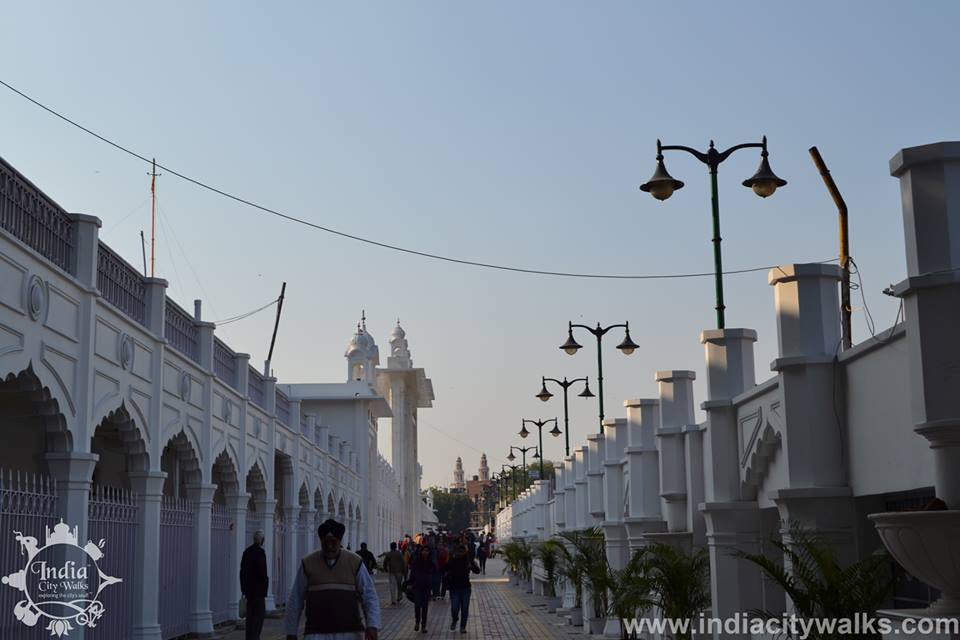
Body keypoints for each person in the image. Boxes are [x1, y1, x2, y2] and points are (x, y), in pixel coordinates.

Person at [284, 519, 380, 640]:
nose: (329, 546)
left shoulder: (354, 562)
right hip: (316, 633)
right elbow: (296, 598)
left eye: (333, 542)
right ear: (321, 542)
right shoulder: (308, 563)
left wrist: (372, 625)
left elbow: (369, 595)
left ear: (340, 541)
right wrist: (291, 631)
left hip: (350, 633)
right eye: (326, 543)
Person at [444, 543, 481, 633]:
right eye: (459, 551)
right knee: (455, 608)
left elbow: (477, 571)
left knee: (465, 608)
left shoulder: (468, 560)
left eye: (463, 551)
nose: (461, 553)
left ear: (465, 552)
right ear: (456, 551)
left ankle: (463, 626)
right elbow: (445, 568)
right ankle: (454, 619)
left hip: (465, 588)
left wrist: (472, 565)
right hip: (455, 587)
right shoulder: (453, 559)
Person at [240, 530, 269, 640]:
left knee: (250, 617)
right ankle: (255, 637)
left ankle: (249, 637)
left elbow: (242, 571)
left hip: (249, 591)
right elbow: (263, 573)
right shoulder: (260, 553)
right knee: (258, 618)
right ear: (261, 540)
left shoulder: (247, 552)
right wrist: (265, 589)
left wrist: (243, 588)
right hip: (259, 592)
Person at [408, 545, 436, 633]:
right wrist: (410, 583)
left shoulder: (430, 562)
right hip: (417, 586)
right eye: (424, 550)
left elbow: (435, 570)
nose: (425, 552)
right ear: (421, 552)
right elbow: (412, 573)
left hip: (426, 587)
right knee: (417, 605)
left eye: (427, 551)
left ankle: (423, 626)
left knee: (425, 607)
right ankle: (417, 622)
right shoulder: (416, 562)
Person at [383, 542, 406, 606]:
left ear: (391, 547)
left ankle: (393, 600)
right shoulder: (400, 553)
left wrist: (385, 569)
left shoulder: (389, 554)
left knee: (392, 586)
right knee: (399, 585)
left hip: (392, 572)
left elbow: (385, 562)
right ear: (396, 547)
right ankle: (399, 596)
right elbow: (403, 563)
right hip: (399, 572)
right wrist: (405, 572)